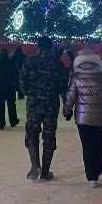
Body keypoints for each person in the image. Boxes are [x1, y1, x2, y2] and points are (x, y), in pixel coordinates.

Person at [63, 50, 102, 187]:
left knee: (87, 146)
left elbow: (70, 98)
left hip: (82, 118)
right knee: (98, 144)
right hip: (100, 118)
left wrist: (67, 112)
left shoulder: (76, 78)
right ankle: (97, 170)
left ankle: (91, 176)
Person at [20, 35, 67, 181]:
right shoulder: (57, 63)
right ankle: (45, 171)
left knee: (32, 133)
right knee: (49, 136)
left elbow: (22, 82)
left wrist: (29, 92)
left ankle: (35, 166)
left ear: (38, 46)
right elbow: (63, 86)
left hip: (34, 104)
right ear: (51, 47)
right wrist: (67, 104)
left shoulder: (29, 61)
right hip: (51, 105)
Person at [0, 48, 20, 129]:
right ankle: (13, 120)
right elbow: (16, 73)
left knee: (0, 106)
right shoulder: (11, 62)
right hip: (10, 87)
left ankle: (1, 123)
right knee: (11, 105)